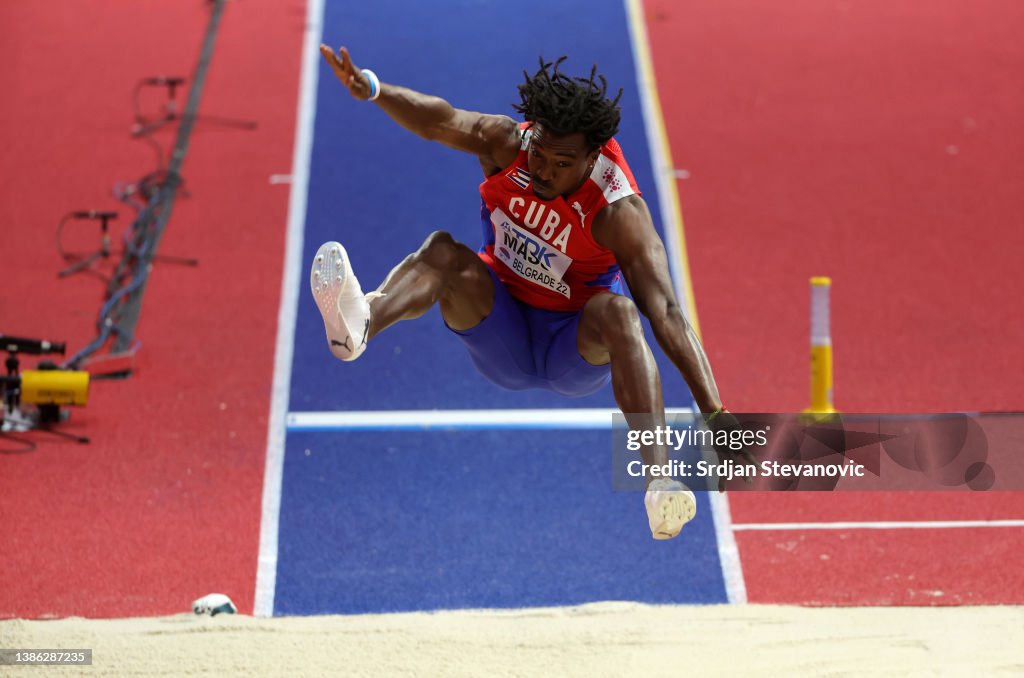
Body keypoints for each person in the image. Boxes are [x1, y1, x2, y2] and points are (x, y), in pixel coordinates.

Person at [313, 45, 746, 540]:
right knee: (443, 252)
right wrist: (372, 88)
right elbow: (439, 120)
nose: (542, 171)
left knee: (621, 313)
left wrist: (713, 411)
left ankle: (660, 482)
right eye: (539, 153)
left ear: (592, 157)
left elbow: (665, 310)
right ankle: (360, 324)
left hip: (571, 348)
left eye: (561, 164)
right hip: (500, 327)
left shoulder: (618, 214)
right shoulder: (507, 144)